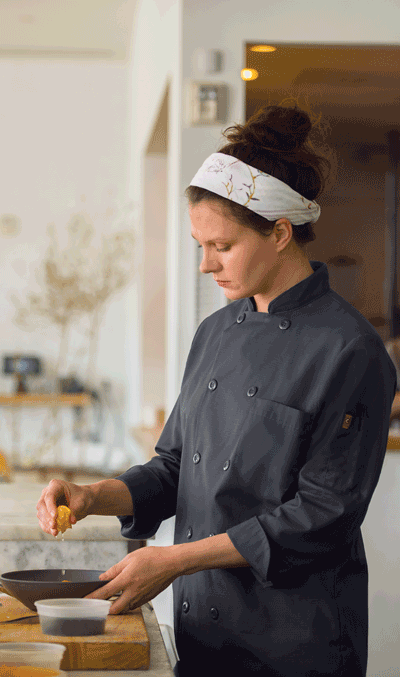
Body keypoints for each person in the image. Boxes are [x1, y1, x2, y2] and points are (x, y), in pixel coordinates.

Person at [37, 104, 397, 677]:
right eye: (198, 245)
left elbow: (323, 516)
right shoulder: (215, 332)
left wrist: (174, 560)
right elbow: (176, 468)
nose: (205, 265)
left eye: (221, 247)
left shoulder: (350, 351)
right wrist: (94, 496)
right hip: (204, 639)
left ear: (280, 233)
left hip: (296, 649)